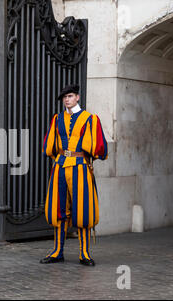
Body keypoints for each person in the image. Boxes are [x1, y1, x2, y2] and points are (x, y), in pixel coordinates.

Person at [41, 84, 108, 266]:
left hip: (80, 167)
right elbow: (50, 144)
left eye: (70, 96)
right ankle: (57, 252)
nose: (67, 100)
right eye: (65, 97)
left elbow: (100, 148)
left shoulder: (90, 119)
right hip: (61, 166)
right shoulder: (57, 118)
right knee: (59, 210)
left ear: (77, 97)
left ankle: (84, 254)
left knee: (83, 211)